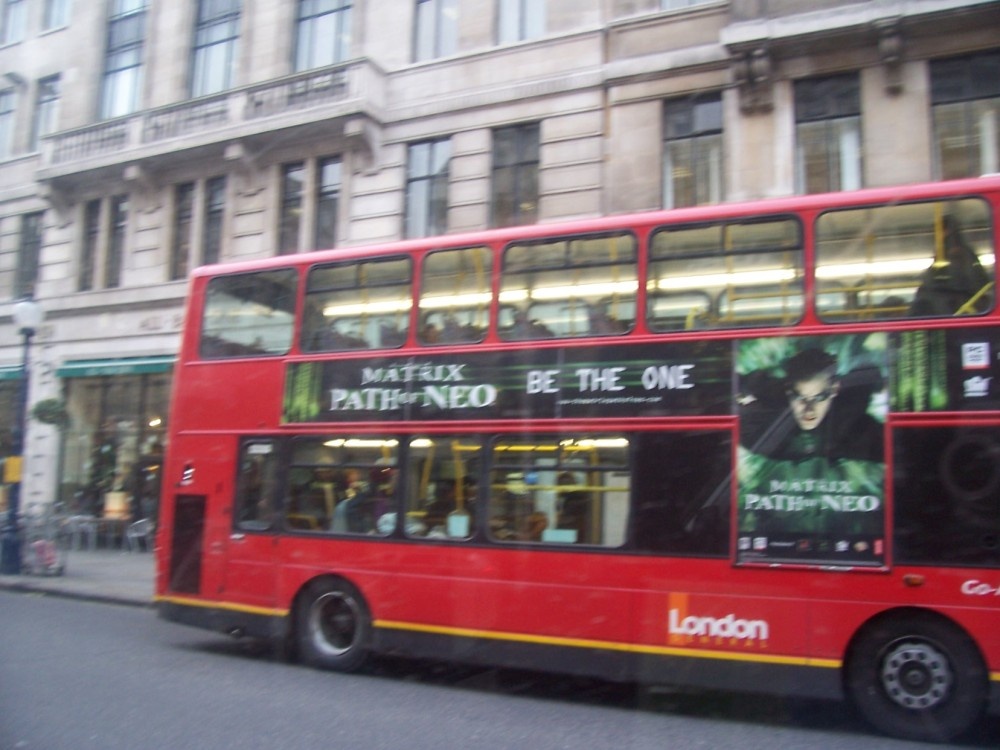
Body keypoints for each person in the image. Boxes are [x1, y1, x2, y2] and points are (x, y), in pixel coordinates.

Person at [738, 347, 883, 463]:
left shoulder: (854, 422)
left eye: (819, 397)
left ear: (834, 390)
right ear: (788, 391)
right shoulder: (765, 425)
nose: (809, 410)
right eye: (800, 398)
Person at [910, 216, 991, 317]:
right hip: (948, 299)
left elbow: (971, 279)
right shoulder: (945, 252)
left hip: (957, 300)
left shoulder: (959, 253)